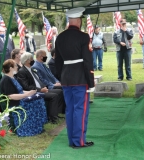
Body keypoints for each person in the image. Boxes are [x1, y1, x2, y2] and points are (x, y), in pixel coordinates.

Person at [55, 7, 95, 149]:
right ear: (78, 20)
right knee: (81, 110)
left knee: (70, 109)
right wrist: (91, 82)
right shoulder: (83, 37)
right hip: (80, 79)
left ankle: (72, 140)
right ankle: (79, 142)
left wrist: (62, 77)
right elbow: (87, 61)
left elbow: (57, 62)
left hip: (66, 78)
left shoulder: (60, 37)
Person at [0, 59, 47, 136]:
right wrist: (26, 95)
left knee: (39, 99)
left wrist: (31, 92)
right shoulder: (6, 80)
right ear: (11, 68)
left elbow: (20, 91)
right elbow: (11, 96)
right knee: (37, 103)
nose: (17, 67)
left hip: (21, 99)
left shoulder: (13, 78)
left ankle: (38, 127)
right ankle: (34, 128)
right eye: (15, 66)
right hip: (16, 103)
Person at [17, 52, 64, 124]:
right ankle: (52, 118)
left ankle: (56, 113)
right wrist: (40, 90)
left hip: (41, 89)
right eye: (32, 59)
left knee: (59, 92)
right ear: (27, 61)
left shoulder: (31, 69)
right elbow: (26, 86)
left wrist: (44, 86)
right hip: (34, 91)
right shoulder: (22, 71)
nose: (33, 60)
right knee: (54, 96)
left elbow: (39, 80)